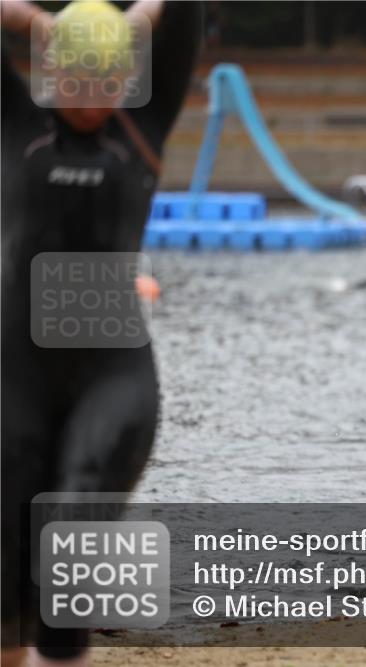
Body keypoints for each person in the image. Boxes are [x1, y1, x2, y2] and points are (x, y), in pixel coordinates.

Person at [1, 1, 201, 665]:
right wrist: (31, 21)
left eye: (105, 78)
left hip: (111, 375)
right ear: (48, 70)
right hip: (14, 375)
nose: (90, 95)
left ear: (127, 78)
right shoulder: (16, 122)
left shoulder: (141, 126)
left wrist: (140, 20)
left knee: (71, 533)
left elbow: (187, 12)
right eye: (74, 76)